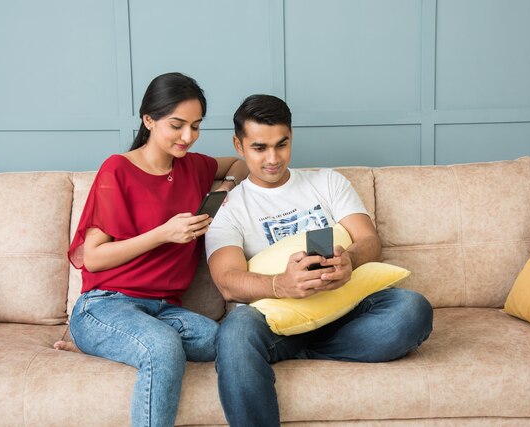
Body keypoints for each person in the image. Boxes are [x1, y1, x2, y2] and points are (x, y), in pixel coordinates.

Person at [205, 94, 433, 427]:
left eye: (282, 145)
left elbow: (369, 241)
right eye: (259, 148)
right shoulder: (228, 208)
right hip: (275, 322)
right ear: (238, 146)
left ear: (291, 138)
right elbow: (227, 281)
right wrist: (279, 285)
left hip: (342, 310)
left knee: (412, 308)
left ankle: (308, 348)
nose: (273, 158)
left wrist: (349, 262)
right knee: (235, 333)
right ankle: (290, 345)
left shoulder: (327, 181)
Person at [60, 72, 248, 427]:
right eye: (177, 125)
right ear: (149, 119)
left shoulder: (194, 166)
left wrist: (225, 187)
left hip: (162, 309)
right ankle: (96, 337)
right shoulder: (118, 169)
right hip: (106, 303)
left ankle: (107, 345)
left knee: (226, 341)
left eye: (196, 126)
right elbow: (94, 258)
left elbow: (238, 163)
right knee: (162, 348)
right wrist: (163, 233)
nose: (188, 137)